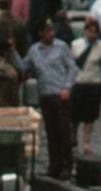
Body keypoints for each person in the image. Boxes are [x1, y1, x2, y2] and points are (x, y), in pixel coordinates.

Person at [25, 21, 74, 180]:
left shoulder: (62, 47)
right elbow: (25, 67)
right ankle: (54, 165)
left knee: (63, 132)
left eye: (52, 31)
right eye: (47, 32)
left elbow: (72, 68)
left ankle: (67, 165)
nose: (51, 34)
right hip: (45, 95)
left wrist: (67, 87)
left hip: (60, 95)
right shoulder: (34, 51)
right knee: (51, 133)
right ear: (40, 33)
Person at [70, 18, 101, 156]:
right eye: (89, 30)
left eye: (95, 31)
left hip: (94, 84)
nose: (92, 34)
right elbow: (71, 67)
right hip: (78, 83)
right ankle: (73, 140)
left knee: (89, 117)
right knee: (74, 116)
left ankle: (86, 143)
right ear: (85, 31)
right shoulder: (75, 45)